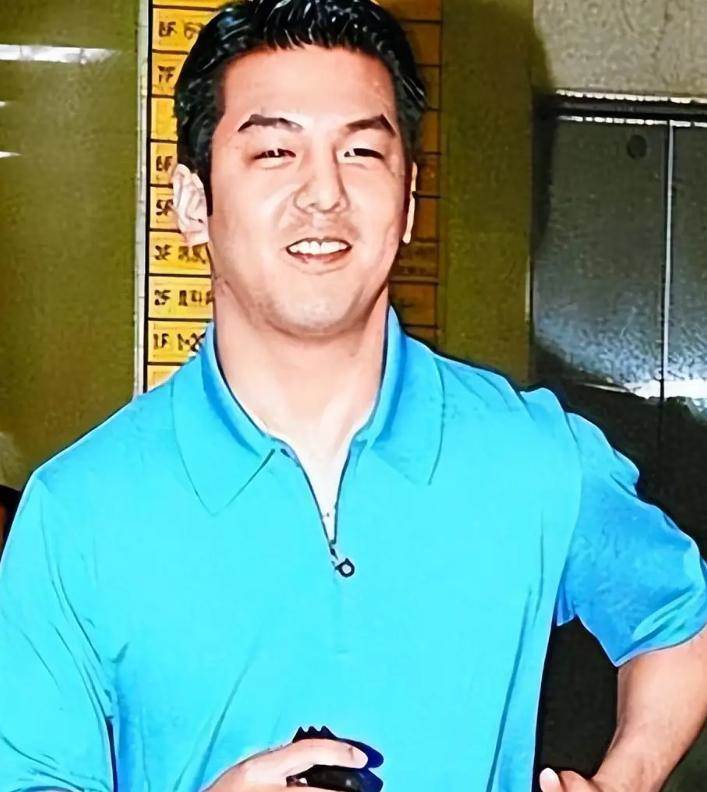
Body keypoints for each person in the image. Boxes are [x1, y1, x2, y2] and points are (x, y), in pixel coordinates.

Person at [0, 1, 705, 790]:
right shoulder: (80, 511)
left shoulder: (533, 457)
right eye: (274, 151)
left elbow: (676, 620)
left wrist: (624, 778)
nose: (323, 193)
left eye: (362, 151)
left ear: (407, 201)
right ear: (193, 202)